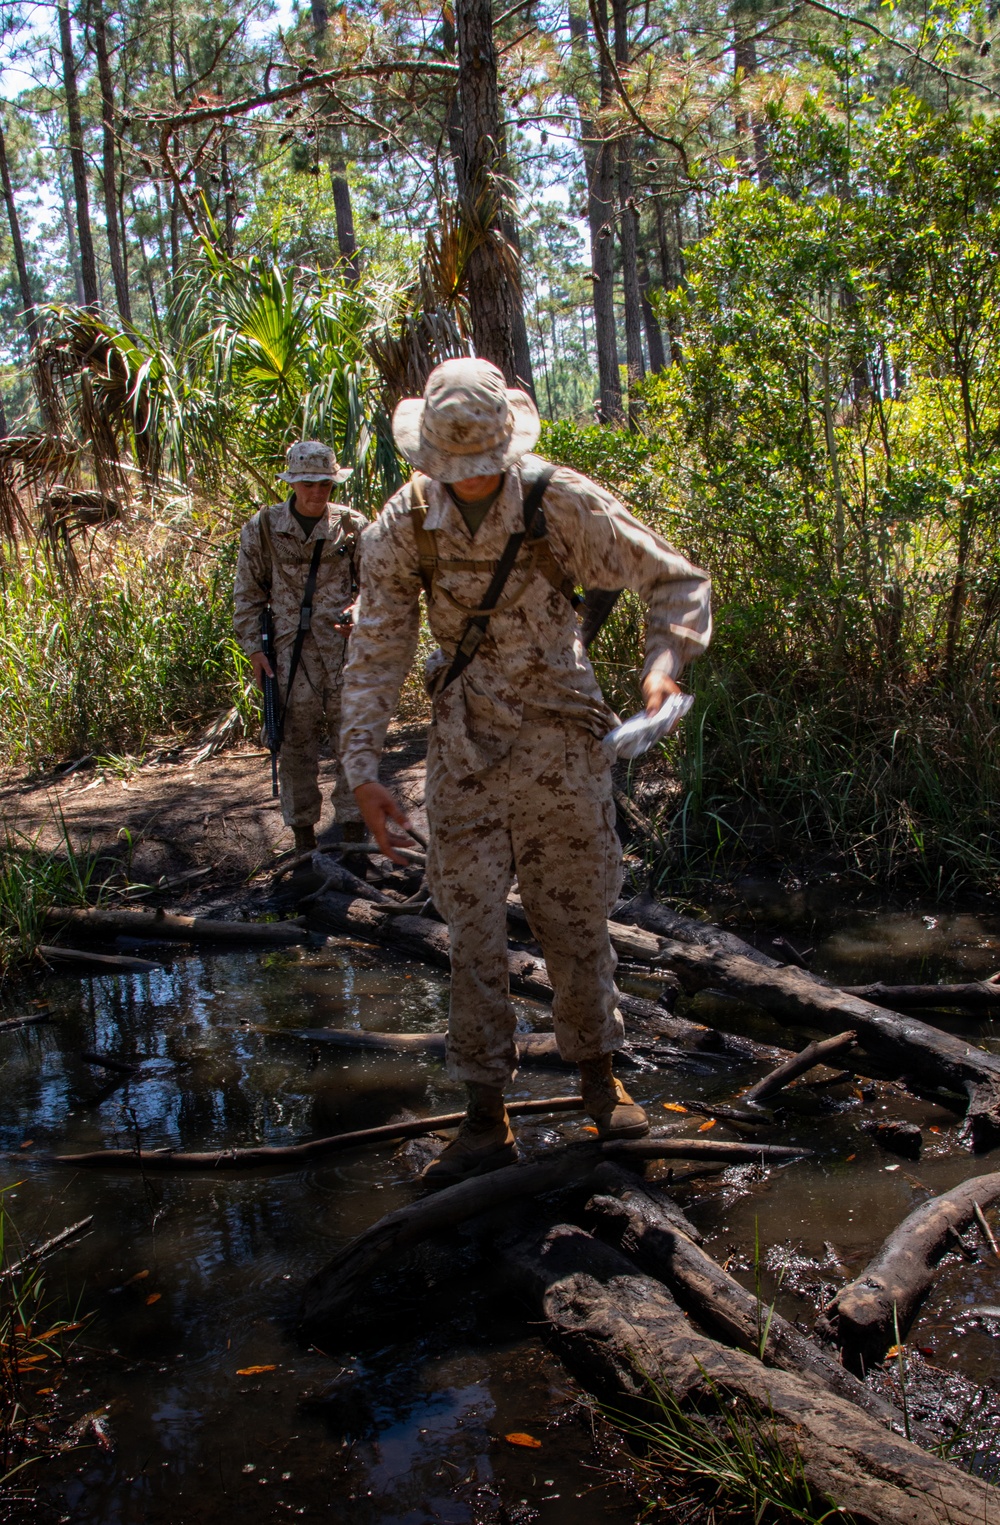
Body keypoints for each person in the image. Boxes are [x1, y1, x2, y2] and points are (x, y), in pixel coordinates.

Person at [339, 359, 712, 1185]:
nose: (469, 483)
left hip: (562, 746)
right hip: (463, 750)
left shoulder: (560, 502)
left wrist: (662, 666)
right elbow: (376, 646)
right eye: (455, 470)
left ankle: (596, 1077)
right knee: (469, 928)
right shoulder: (406, 523)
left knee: (574, 919)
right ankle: (484, 1113)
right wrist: (364, 767)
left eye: (481, 469)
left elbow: (676, 582)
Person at [234, 441, 368, 857]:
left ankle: (353, 831)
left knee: (354, 740)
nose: (317, 492)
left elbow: (376, 587)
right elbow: (248, 595)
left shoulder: (352, 525)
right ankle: (303, 838)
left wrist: (358, 613)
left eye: (325, 483)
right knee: (294, 745)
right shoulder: (263, 527)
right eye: (308, 483)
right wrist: (255, 650)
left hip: (344, 653)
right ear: (293, 483)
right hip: (289, 658)